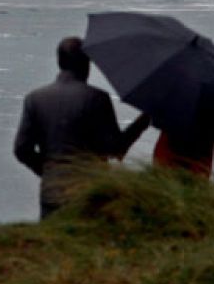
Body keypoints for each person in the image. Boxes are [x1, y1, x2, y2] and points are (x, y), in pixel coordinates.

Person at [13, 36, 151, 219]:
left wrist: (48, 169)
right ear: (87, 64)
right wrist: (145, 119)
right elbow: (116, 148)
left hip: (52, 189)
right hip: (88, 188)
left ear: (59, 62)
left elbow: (22, 149)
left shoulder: (35, 99)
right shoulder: (97, 98)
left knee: (52, 234)